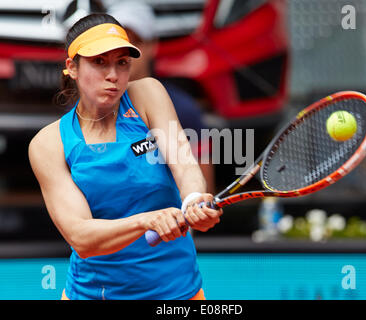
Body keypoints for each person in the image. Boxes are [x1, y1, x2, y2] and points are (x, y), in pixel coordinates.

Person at [28, 13, 223, 300]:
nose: (113, 75)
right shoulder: (48, 143)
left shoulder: (148, 93)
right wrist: (147, 221)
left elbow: (184, 166)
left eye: (122, 63)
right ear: (72, 67)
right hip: (94, 295)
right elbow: (81, 238)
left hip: (179, 295)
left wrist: (194, 199)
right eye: (99, 62)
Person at [108, 0, 216, 194]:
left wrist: (195, 205)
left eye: (136, 42)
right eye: (117, 44)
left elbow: (204, 193)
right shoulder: (85, 111)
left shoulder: (184, 109)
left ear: (153, 45)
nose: (125, 53)